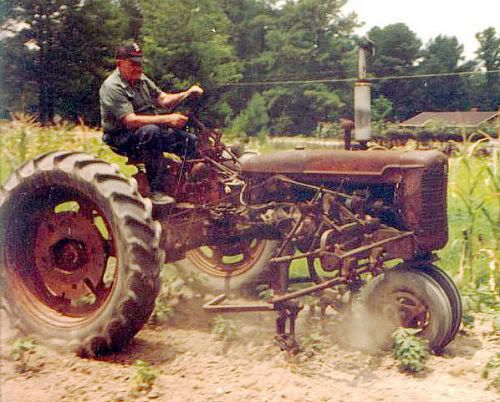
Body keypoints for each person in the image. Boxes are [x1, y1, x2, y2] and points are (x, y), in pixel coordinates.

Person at [99, 42, 204, 204]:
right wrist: (168, 119)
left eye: (140, 63)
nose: (138, 67)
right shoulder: (112, 87)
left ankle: (189, 186)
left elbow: (163, 99)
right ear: (119, 63)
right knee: (152, 132)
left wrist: (187, 93)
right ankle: (156, 191)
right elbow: (130, 121)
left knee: (190, 139)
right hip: (122, 136)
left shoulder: (141, 79)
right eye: (133, 63)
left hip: (145, 129)